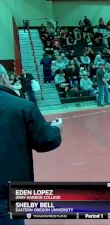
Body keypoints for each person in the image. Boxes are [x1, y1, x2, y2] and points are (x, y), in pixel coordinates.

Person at [0, 64, 63, 225]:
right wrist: (55, 129)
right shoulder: (21, 107)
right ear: (3, 78)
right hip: (7, 195)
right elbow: (46, 140)